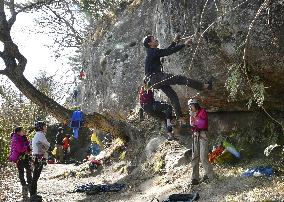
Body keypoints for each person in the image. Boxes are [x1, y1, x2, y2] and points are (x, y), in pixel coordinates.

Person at [143, 34, 212, 121]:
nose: (156, 40)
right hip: (156, 77)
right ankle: (204, 86)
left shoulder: (152, 51)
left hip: (154, 80)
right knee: (180, 79)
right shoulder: (152, 52)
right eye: (153, 39)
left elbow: (167, 50)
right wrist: (184, 44)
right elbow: (168, 52)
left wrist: (175, 42)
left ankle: (179, 118)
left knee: (173, 96)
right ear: (150, 43)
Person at [188, 98, 213, 185]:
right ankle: (194, 178)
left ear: (196, 105)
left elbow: (202, 124)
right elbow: (192, 124)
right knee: (195, 156)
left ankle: (210, 175)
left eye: (191, 106)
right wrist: (193, 118)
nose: (190, 108)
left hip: (203, 135)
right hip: (195, 135)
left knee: (203, 156)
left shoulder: (202, 112)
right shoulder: (191, 114)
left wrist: (194, 117)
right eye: (189, 106)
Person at [9, 126, 32, 200]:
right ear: (18, 132)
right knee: (21, 171)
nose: (24, 131)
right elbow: (20, 149)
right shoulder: (15, 139)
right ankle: (24, 185)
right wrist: (26, 145)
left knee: (28, 169)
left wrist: (28, 143)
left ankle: (29, 183)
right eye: (22, 131)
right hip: (19, 158)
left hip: (24, 157)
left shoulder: (22, 137)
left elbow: (27, 145)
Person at [30, 121, 50, 201]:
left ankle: (33, 194)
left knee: (35, 176)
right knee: (35, 176)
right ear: (41, 127)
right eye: (45, 126)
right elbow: (47, 145)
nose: (46, 127)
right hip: (39, 157)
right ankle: (33, 195)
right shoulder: (41, 135)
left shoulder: (38, 134)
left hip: (36, 157)